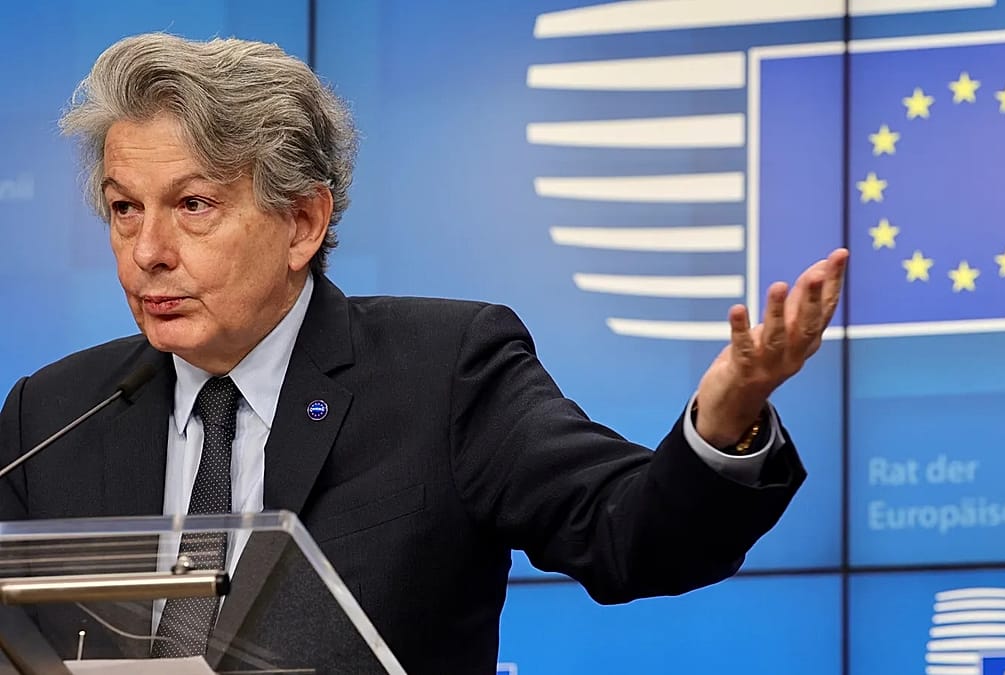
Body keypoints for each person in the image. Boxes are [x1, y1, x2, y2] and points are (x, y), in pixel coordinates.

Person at [0, 32, 848, 674]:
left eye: (192, 205)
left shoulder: (444, 372)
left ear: (302, 222)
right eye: (124, 209)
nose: (147, 251)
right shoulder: (52, 414)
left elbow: (633, 535)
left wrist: (725, 418)